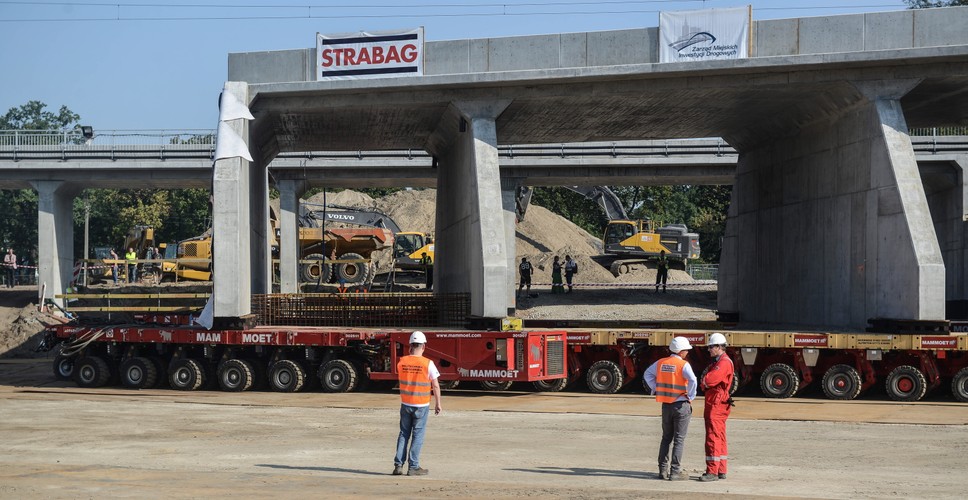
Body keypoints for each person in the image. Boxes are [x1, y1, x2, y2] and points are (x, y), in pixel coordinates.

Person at [644, 336, 697, 481]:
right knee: (679, 439)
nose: (687, 352)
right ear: (681, 351)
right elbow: (693, 380)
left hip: (666, 405)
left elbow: (647, 374)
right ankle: (675, 472)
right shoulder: (683, 365)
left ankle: (662, 470)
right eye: (686, 350)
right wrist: (691, 396)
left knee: (666, 438)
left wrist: (656, 388)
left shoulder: (661, 363)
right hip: (681, 405)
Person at [393, 330, 442, 476]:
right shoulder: (428, 363)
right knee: (417, 435)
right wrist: (438, 403)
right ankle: (413, 466)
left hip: (406, 404)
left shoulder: (402, 362)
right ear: (424, 346)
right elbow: (436, 385)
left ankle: (398, 465)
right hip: (421, 406)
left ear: (410, 346)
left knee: (404, 434)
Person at [700, 333, 735, 482]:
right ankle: (721, 470)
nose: (709, 349)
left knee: (713, 436)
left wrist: (704, 381)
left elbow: (709, 380)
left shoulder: (723, 362)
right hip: (717, 401)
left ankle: (712, 471)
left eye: (711, 347)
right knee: (719, 436)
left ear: (719, 347)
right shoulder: (720, 361)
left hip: (716, 402)